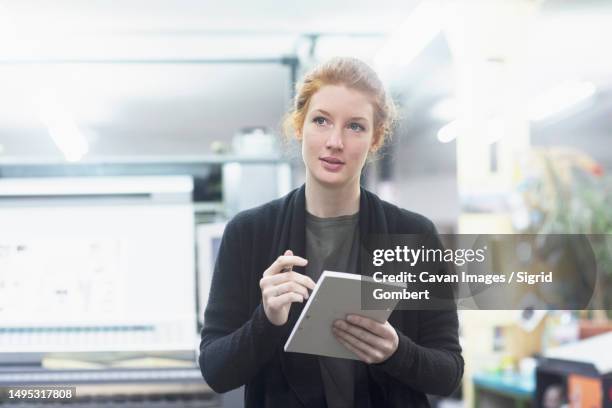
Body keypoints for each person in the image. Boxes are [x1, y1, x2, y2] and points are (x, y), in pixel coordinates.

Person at [199, 57, 464, 408]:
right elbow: (216, 370)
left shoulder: (413, 235)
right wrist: (267, 321)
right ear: (299, 126)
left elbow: (448, 372)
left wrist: (396, 351)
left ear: (375, 138)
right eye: (321, 120)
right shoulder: (249, 233)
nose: (335, 141)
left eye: (355, 126)